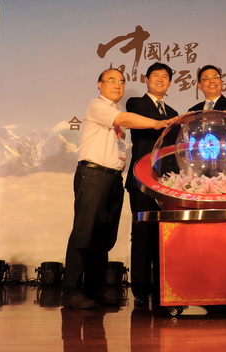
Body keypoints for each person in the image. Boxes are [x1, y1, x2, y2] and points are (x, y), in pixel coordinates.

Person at [61, 68, 172, 309]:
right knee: (84, 233)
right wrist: (157, 123)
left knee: (103, 239)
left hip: (113, 178)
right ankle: (71, 291)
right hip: (93, 175)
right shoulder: (97, 106)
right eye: (111, 81)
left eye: (121, 81)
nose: (117, 85)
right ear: (99, 85)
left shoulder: (115, 111)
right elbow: (124, 120)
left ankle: (94, 290)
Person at [125, 62, 179, 308]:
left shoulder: (173, 111)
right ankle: (140, 289)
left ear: (170, 83)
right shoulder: (136, 104)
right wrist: (169, 122)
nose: (160, 79)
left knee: (164, 236)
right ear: (146, 80)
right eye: (155, 75)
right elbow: (149, 123)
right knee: (142, 235)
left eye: (165, 76)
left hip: (166, 183)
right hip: (141, 180)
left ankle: (162, 286)